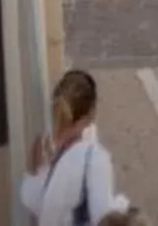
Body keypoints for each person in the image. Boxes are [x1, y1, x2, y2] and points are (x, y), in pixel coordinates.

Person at [21, 69, 118, 226]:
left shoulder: (41, 147)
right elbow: (103, 218)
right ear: (91, 113)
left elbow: (30, 200)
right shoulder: (94, 159)